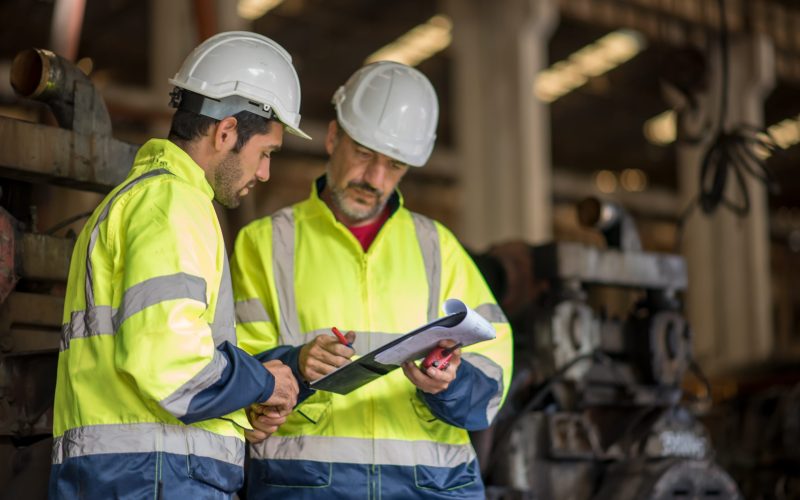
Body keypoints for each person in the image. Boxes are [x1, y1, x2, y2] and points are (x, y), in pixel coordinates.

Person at [231, 61, 513, 499]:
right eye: (364, 155)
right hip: (308, 486)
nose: (375, 179)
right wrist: (297, 365)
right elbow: (235, 370)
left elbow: (492, 383)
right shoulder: (265, 244)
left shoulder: (437, 246)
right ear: (332, 138)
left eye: (394, 165)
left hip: (431, 488)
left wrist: (450, 382)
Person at [48, 31, 310, 499]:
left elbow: (162, 356)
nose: (266, 172)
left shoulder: (139, 198)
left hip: (130, 474)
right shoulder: (173, 203)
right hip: (156, 477)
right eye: (265, 153)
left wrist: (238, 408)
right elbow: (171, 363)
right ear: (226, 131)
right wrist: (263, 381)